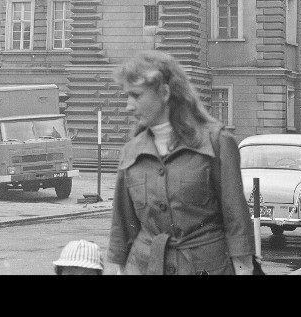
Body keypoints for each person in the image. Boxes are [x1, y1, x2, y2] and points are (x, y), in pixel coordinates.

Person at [107, 50, 256, 275]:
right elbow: (122, 228)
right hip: (146, 267)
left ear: (164, 92)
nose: (128, 106)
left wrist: (244, 270)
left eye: (136, 95)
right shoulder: (132, 151)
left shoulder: (216, 142)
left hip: (207, 267)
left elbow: (236, 221)